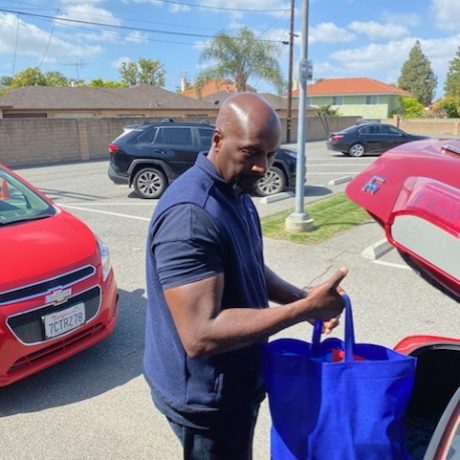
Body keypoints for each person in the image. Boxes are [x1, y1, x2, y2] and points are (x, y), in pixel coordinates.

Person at [144, 92, 347, 460]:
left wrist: (304, 298)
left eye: (270, 154)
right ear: (218, 140)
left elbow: (250, 266)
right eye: (251, 152)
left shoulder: (234, 191)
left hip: (236, 381)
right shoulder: (191, 216)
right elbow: (200, 334)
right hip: (206, 401)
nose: (263, 166)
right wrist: (301, 312)